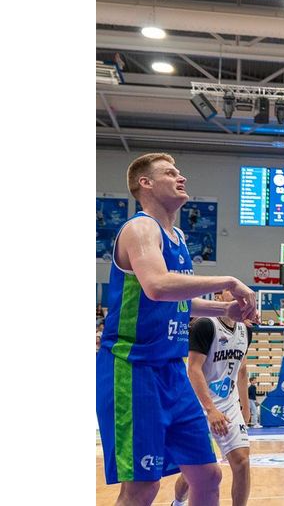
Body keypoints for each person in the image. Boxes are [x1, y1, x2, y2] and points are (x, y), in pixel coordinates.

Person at [97, 153, 258, 506]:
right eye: (170, 173)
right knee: (142, 488)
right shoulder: (141, 229)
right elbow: (157, 286)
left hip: (171, 370)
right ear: (146, 183)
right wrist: (228, 281)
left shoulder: (179, 237)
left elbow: (178, 301)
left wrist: (224, 309)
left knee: (208, 476)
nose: (181, 177)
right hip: (132, 368)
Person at [172, 290, 254, 506]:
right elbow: (194, 369)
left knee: (242, 461)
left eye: (241, 296)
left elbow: (242, 370)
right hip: (199, 405)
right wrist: (211, 410)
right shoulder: (205, 325)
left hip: (228, 403)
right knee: (198, 471)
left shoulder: (246, 330)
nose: (238, 299)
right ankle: (177, 502)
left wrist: (245, 408)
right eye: (232, 294)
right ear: (219, 298)